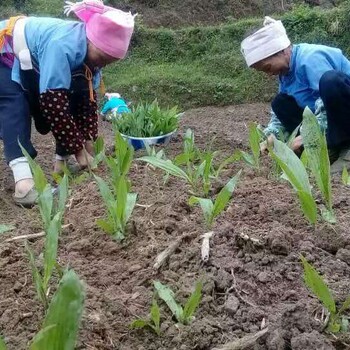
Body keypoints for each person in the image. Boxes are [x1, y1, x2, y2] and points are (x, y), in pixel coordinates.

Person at [0, 0, 135, 206]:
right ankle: (23, 185)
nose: (100, 66)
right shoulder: (62, 45)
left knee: (74, 95)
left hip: (29, 59)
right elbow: (54, 104)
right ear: (91, 41)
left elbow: (86, 103)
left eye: (107, 63)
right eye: (100, 59)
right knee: (16, 106)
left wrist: (89, 141)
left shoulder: (91, 60)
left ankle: (60, 167)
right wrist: (79, 151)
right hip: (5, 49)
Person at [241, 16, 350, 173]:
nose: (268, 74)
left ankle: (346, 150)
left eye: (267, 67)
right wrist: (272, 137)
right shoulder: (285, 74)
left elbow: (325, 104)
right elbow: (278, 118)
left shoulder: (310, 58)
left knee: (330, 81)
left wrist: (308, 137)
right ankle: (325, 150)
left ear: (282, 51)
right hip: (332, 125)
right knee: (281, 103)